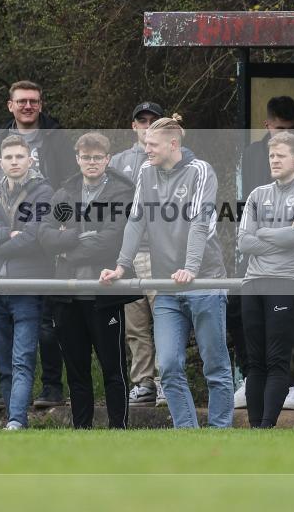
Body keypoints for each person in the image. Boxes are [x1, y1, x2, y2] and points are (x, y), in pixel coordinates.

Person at [100, 114, 234, 428]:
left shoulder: (200, 171)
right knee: (170, 364)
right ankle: (187, 431)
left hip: (204, 281)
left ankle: (221, 432)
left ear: (173, 144)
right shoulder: (146, 172)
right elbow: (136, 221)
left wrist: (190, 268)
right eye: (145, 143)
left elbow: (201, 223)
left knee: (215, 365)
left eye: (152, 144)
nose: (146, 149)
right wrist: (122, 265)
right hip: (167, 287)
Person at [0, 80, 76, 409]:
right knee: (8, 328)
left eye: (33, 101)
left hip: (48, 231)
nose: (27, 106)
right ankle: (12, 395)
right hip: (6, 224)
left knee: (47, 321)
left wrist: (60, 223)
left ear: (41, 104)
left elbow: (69, 182)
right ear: (10, 105)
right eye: (21, 101)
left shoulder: (55, 137)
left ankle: (51, 387)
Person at [39, 132, 138, 428]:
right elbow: (44, 236)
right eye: (86, 157)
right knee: (77, 369)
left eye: (97, 157)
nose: (91, 162)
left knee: (113, 367)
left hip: (104, 292)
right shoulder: (65, 192)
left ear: (107, 159)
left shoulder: (121, 192)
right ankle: (82, 429)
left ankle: (118, 428)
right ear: (77, 158)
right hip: (67, 295)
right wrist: (75, 238)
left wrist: (67, 249)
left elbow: (112, 239)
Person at [234, 95, 294, 411]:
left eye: (293, 129)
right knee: (241, 314)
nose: (287, 134)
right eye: (280, 128)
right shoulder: (250, 154)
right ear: (267, 125)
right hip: (257, 254)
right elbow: (249, 209)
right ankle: (249, 378)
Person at [0, 135, 55, 430]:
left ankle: (17, 419)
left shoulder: (44, 192)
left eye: (20, 157)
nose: (14, 162)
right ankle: (13, 419)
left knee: (22, 357)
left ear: (30, 160)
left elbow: (34, 239)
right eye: (9, 158)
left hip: (28, 287)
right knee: (4, 362)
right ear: (2, 163)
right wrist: (8, 234)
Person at [109, 101, 165, 406]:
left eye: (152, 121)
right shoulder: (118, 161)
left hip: (161, 253)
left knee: (166, 319)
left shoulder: (171, 156)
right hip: (128, 255)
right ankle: (144, 382)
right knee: (135, 325)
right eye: (141, 120)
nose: (146, 125)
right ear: (133, 125)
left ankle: (165, 380)